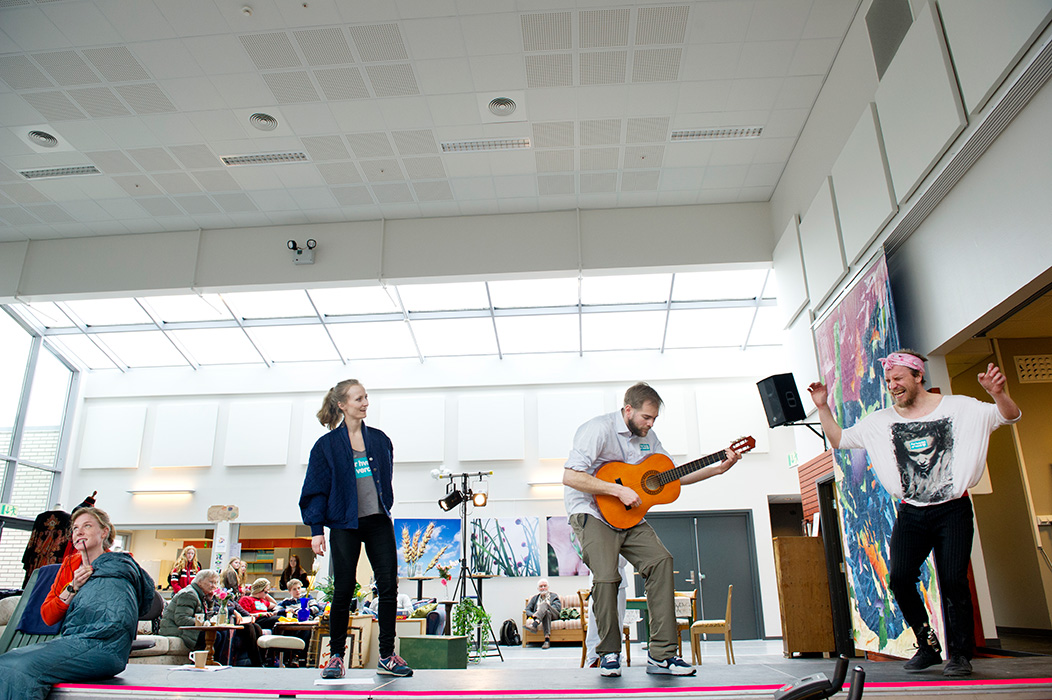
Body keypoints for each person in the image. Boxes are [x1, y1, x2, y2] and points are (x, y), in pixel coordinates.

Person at [808, 351, 1021, 677]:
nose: (892, 386)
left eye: (898, 379)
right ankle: (927, 643)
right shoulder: (879, 422)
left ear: (918, 377)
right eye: (889, 380)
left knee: (953, 581)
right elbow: (838, 439)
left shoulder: (959, 408)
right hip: (912, 512)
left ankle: (961, 655)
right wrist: (822, 407)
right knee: (900, 578)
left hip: (953, 509)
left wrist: (997, 394)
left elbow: (1009, 416)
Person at [563, 382, 740, 677]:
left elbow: (671, 477)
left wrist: (717, 468)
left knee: (661, 561)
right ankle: (608, 654)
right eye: (646, 417)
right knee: (608, 576)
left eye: (655, 418)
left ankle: (662, 655)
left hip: (630, 516)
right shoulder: (598, 430)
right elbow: (571, 476)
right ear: (628, 409)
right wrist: (616, 491)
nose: (650, 424)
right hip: (591, 511)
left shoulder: (649, 438)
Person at [300, 379, 413, 679]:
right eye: (358, 399)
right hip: (344, 523)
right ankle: (336, 656)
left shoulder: (379, 440)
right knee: (344, 589)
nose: (365, 403)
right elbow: (316, 489)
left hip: (377, 520)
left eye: (366, 398)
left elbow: (384, 481)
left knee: (388, 587)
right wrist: (316, 530)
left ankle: (387, 656)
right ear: (342, 404)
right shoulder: (326, 446)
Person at [0, 507, 155, 700]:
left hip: (103, 647)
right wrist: (72, 587)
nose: (79, 532)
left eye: (87, 526)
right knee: (7, 662)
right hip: (72, 642)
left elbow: (113, 622)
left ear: (104, 532)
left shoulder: (118, 567)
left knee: (20, 668)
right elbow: (48, 617)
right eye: (75, 528)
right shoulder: (69, 566)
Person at [159, 569, 264, 667]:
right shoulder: (189, 594)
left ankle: (217, 663)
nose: (214, 586)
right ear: (200, 582)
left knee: (222, 633)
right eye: (211, 582)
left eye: (215, 583)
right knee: (216, 635)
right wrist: (204, 624)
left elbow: (208, 616)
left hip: (189, 629)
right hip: (175, 630)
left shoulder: (201, 594)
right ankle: (211, 663)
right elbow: (181, 619)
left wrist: (210, 602)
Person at [524, 579, 562, 649]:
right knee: (546, 613)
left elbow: (558, 608)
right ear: (538, 589)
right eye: (541, 586)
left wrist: (544, 608)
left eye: (545, 586)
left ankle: (535, 624)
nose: (543, 588)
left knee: (545, 605)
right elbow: (527, 610)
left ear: (548, 587)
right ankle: (547, 640)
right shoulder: (535, 598)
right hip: (546, 615)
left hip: (554, 614)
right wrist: (533, 615)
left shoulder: (554, 596)